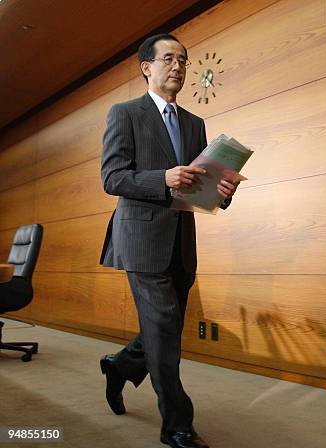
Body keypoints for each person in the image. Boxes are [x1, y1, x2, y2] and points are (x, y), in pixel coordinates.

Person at [99, 33, 237, 448]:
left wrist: (222, 193)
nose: (178, 66)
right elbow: (113, 178)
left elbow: (198, 188)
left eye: (184, 60)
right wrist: (162, 177)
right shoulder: (124, 113)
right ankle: (177, 424)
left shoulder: (195, 123)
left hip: (181, 241)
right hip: (140, 238)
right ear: (147, 67)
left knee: (165, 329)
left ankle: (119, 365)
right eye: (169, 59)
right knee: (162, 330)